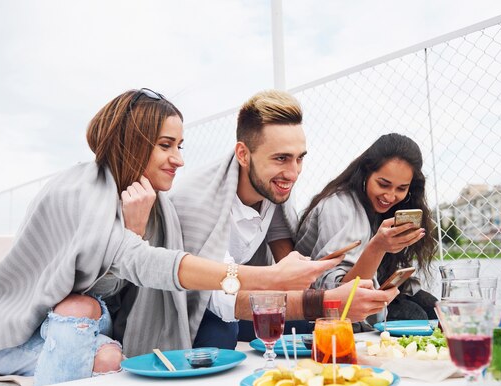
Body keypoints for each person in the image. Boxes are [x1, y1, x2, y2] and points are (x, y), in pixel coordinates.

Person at [0, 89, 340, 386]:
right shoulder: (78, 191)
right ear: (132, 142)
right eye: (165, 145)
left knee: (103, 346)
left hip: (88, 329)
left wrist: (134, 233)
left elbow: (120, 281)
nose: (180, 158)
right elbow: (152, 266)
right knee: (77, 312)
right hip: (17, 333)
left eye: (180, 145)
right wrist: (266, 277)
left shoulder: (154, 202)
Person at [167, 90, 398, 348]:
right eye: (281, 158)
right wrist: (327, 302)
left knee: (316, 329)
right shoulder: (196, 201)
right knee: (222, 333)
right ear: (243, 154)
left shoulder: (274, 192)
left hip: (241, 295)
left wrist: (331, 297)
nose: (293, 173)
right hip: (196, 305)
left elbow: (288, 266)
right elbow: (222, 300)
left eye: (300, 158)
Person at [296, 133, 437, 322]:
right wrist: (378, 247)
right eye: (383, 184)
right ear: (366, 173)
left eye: (401, 188)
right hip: (322, 311)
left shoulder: (381, 209)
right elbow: (338, 293)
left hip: (368, 292)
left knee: (437, 310)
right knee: (414, 316)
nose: (390, 196)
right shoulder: (340, 206)